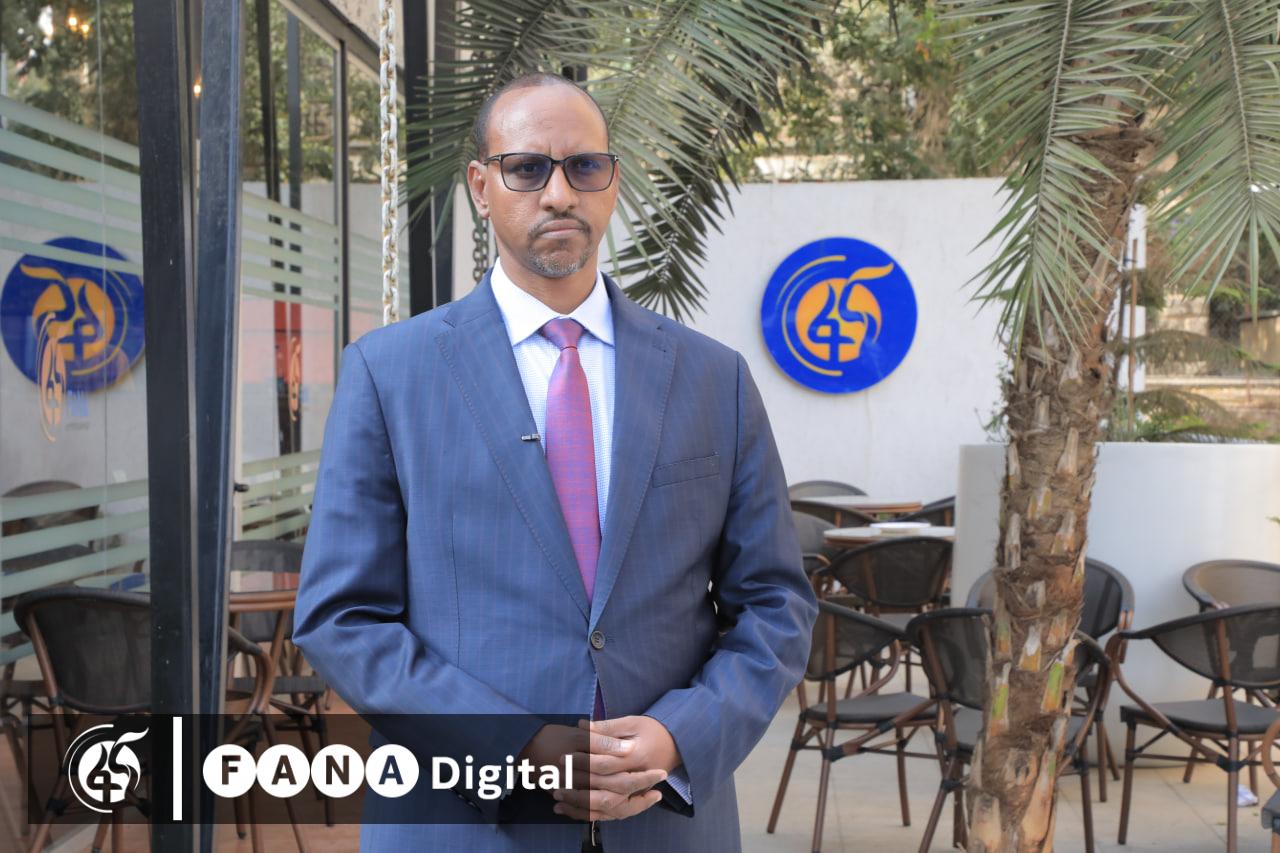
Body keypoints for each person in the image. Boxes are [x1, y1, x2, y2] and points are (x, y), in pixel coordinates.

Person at [292, 71, 816, 853]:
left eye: (584, 167)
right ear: (481, 186)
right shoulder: (389, 374)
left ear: (612, 182)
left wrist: (679, 735)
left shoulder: (714, 379)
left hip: (666, 824)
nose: (559, 193)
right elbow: (343, 618)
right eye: (528, 169)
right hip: (464, 826)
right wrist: (515, 746)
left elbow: (775, 603)